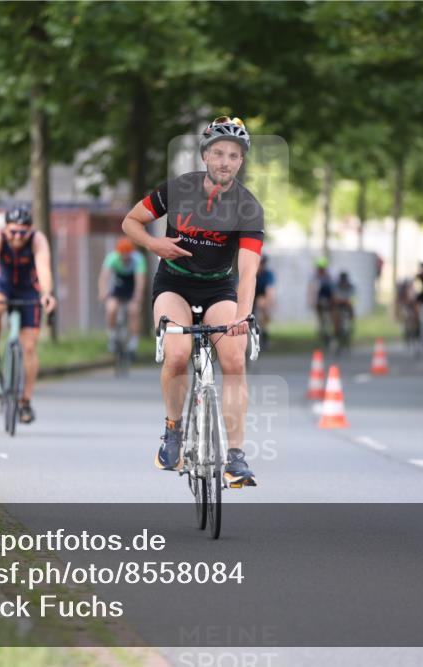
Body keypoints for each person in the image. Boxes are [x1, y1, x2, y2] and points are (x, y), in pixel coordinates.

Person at [120, 115, 263, 486]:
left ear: (241, 161)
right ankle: (173, 429)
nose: (224, 161)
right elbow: (130, 222)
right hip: (175, 286)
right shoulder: (178, 189)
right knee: (179, 354)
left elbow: (248, 271)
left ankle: (235, 457)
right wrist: (155, 244)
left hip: (219, 289)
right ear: (204, 156)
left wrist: (243, 316)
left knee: (233, 357)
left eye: (233, 155)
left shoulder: (247, 207)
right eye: (218, 153)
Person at [0, 206, 57, 423]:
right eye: (13, 232)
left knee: (30, 347)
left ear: (30, 230)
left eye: (22, 233)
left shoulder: (37, 240)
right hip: (2, 284)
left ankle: (25, 402)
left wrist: (47, 294)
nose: (17, 237)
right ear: (6, 229)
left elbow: (44, 269)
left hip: (28, 288)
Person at [98, 237, 147, 355]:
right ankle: (112, 336)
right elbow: (104, 277)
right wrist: (102, 292)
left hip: (132, 286)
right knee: (111, 308)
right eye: (122, 255)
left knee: (134, 310)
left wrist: (138, 294)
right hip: (118, 285)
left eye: (127, 255)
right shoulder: (112, 258)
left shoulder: (138, 259)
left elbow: (140, 280)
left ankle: (133, 343)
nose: (125, 257)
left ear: (132, 253)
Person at [308, 257, 336, 344]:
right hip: (319, 300)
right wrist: (312, 302)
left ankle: (331, 333)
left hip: (329, 299)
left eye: (322, 269)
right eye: (319, 268)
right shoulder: (314, 278)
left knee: (331, 317)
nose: (321, 270)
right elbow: (312, 292)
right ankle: (322, 331)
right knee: (321, 318)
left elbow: (332, 291)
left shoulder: (329, 278)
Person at [253, 254, 276, 350]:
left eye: (262, 263)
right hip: (250, 296)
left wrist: (268, 303)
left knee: (263, 306)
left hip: (261, 297)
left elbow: (269, 290)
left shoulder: (268, 274)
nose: (261, 265)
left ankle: (264, 334)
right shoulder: (251, 272)